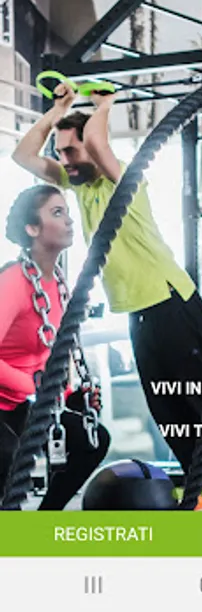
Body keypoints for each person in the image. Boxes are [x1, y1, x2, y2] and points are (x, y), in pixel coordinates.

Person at [12, 90, 202, 491]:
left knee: (200, 408)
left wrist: (104, 104)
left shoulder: (123, 178)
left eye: (71, 151)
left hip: (171, 302)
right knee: (167, 412)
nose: (65, 159)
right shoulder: (80, 188)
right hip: (139, 313)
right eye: (60, 152)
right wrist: (59, 110)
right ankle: (200, 493)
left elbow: (97, 141)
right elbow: (23, 155)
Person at [0, 185, 110, 509]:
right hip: (9, 403)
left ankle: (47, 520)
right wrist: (34, 388)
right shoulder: (13, 282)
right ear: (32, 229)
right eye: (57, 213)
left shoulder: (58, 282)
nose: (69, 221)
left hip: (22, 404)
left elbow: (45, 352)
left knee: (92, 440)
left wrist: (71, 395)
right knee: (8, 457)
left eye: (67, 212)